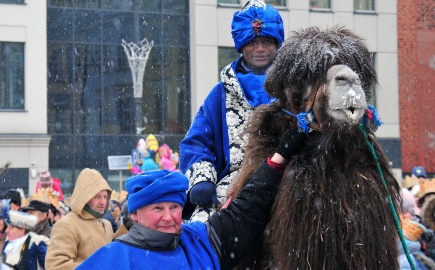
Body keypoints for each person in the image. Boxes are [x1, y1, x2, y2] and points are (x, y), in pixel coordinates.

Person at [77, 128, 307, 269]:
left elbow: (245, 212)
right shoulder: (113, 259)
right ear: (135, 214)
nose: (168, 217)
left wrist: (279, 158)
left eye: (175, 207)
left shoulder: (198, 241)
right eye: (158, 208)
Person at [180, 0, 285, 222]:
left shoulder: (295, 88)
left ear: (277, 45)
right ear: (242, 46)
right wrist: (202, 179)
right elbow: (195, 144)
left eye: (266, 41)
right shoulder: (219, 95)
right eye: (252, 42)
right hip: (232, 189)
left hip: (288, 182)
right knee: (199, 237)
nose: (260, 48)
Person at [45, 168, 113, 270]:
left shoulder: (106, 224)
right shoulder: (67, 225)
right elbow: (56, 266)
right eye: (97, 196)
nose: (103, 202)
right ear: (85, 197)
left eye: (105, 196)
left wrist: (126, 228)